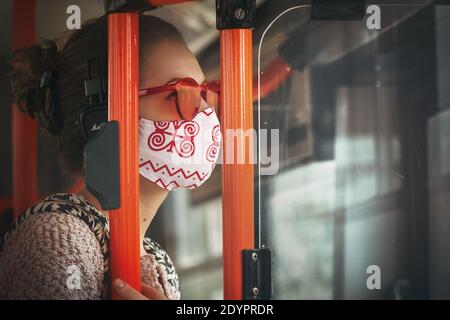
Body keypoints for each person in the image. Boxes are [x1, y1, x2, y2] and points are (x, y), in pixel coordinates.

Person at [0, 14, 221, 300]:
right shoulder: (56, 237)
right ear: (103, 118)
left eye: (206, 93)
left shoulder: (158, 260)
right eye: (180, 93)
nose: (206, 113)